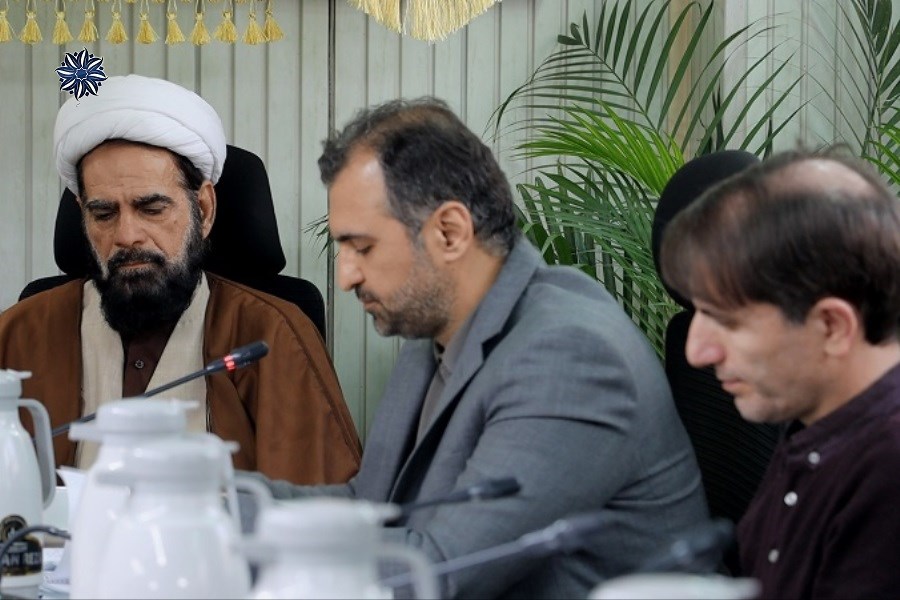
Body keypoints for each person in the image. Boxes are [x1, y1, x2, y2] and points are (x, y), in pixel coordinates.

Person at [247, 97, 708, 599]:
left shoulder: (569, 355)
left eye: (363, 248)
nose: (346, 277)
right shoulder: (433, 327)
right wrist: (221, 501)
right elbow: (370, 506)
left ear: (450, 232)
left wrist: (233, 548)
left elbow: (440, 571)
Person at [0, 74, 361, 485]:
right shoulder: (19, 333)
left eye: (151, 209)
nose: (127, 235)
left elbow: (319, 507)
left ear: (203, 210)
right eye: (103, 213)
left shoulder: (271, 335)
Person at [660, 148, 900, 599]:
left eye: (727, 320)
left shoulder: (886, 473)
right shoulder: (813, 428)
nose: (696, 352)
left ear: (832, 327)